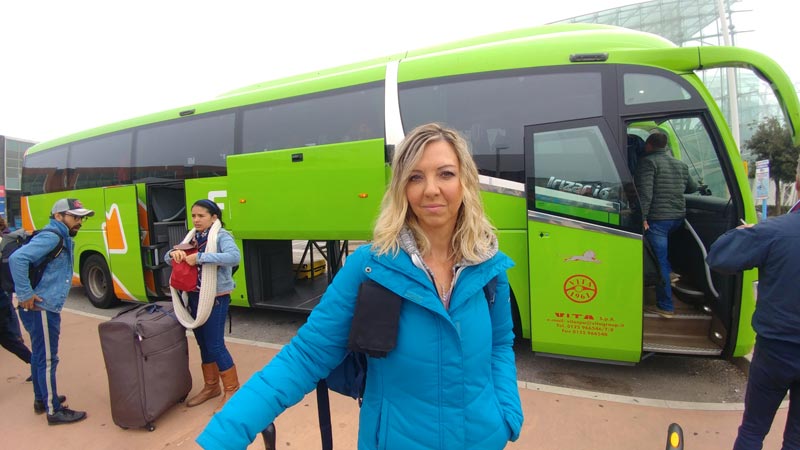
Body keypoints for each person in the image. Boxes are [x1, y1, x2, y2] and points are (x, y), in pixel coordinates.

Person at [197, 123, 524, 449]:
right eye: (415, 176)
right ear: (401, 188)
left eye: (446, 174)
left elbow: (500, 345)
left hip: (484, 439)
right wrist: (223, 437)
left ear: (465, 181)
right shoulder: (371, 267)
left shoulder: (489, 266)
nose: (431, 189)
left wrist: (508, 414)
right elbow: (306, 356)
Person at [705, 159, 800, 450]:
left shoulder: (774, 232)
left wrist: (748, 233)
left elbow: (719, 258)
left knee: (752, 430)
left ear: (797, 184)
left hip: (776, 349)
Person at [9, 198, 94, 424]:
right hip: (41, 306)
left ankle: (41, 399)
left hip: (38, 307)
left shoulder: (57, 235)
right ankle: (53, 409)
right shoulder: (52, 236)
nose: (79, 222)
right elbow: (17, 259)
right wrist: (25, 293)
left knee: (39, 355)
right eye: (75, 217)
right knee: (47, 359)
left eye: (81, 218)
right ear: (59, 216)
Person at [166, 199, 241, 412]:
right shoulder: (191, 236)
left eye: (201, 216)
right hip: (194, 296)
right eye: (194, 216)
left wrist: (199, 258)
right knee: (203, 343)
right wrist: (174, 254)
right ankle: (211, 387)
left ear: (214, 217)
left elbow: (234, 257)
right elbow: (167, 257)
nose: (196, 220)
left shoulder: (221, 236)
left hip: (216, 296)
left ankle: (232, 390)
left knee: (215, 344)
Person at [634, 130, 698, 318]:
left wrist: (642, 218)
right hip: (677, 219)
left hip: (658, 220)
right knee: (662, 256)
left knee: (657, 259)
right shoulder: (680, 164)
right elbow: (692, 187)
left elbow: (645, 193)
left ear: (649, 145)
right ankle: (670, 272)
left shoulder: (648, 163)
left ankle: (665, 306)